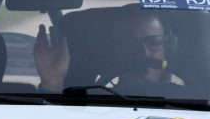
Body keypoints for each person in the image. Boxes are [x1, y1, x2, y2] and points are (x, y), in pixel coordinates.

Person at [33, 8, 181, 92]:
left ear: (168, 49)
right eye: (129, 45)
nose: (144, 54)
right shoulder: (87, 104)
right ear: (113, 54)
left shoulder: (190, 100)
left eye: (154, 42)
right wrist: (52, 83)